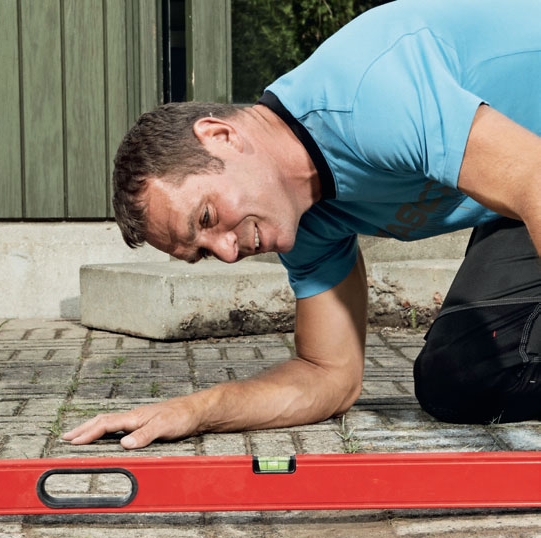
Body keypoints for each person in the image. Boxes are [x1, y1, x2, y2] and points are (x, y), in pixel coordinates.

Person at [63, 0, 541, 449]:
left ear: (221, 136)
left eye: (206, 217)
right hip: (520, 200)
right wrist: (195, 411)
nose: (227, 252)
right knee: (460, 379)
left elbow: (532, 178)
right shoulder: (303, 218)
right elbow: (328, 374)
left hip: (533, 180)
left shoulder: (365, 94)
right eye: (204, 251)